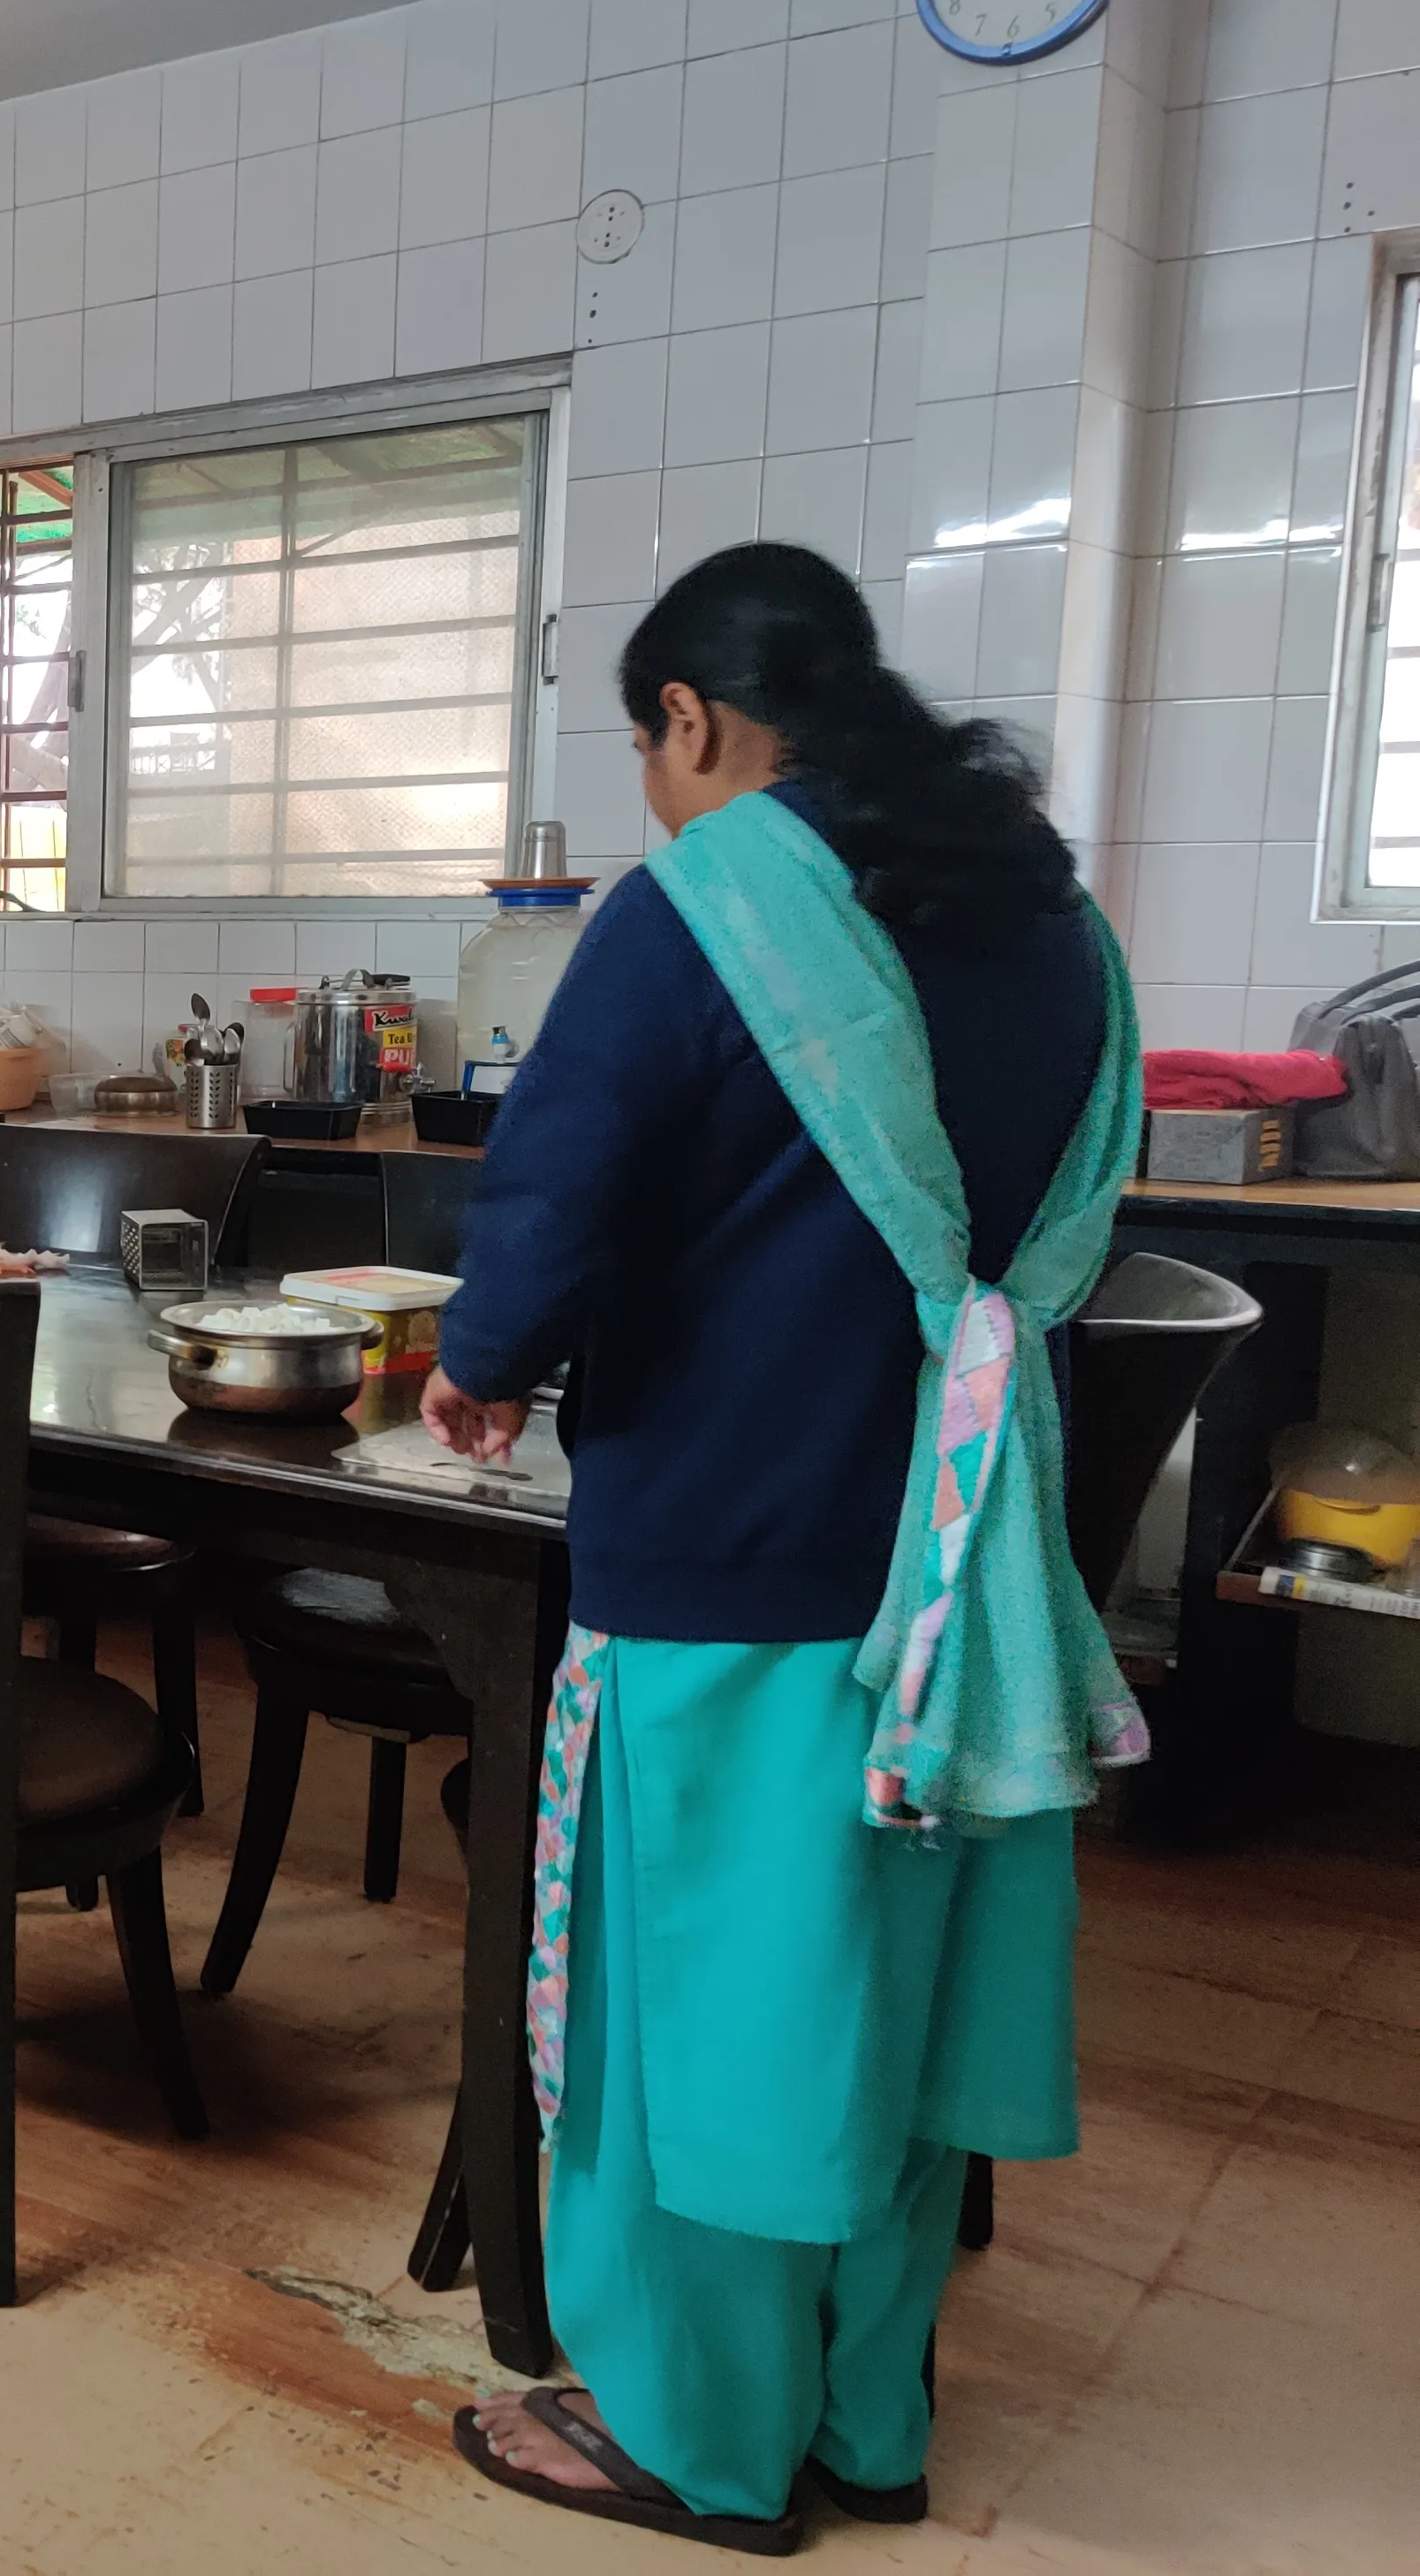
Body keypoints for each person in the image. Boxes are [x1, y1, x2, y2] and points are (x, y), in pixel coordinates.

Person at [421, 542, 1140, 2552]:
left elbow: (551, 1179)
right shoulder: (1050, 921)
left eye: (648, 746)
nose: (656, 790)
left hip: (729, 1554)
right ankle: (865, 2415)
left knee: (706, 2010)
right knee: (888, 2004)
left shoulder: (708, 901)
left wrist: (480, 1368)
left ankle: (695, 2438)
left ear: (694, 720)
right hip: (964, 1565)